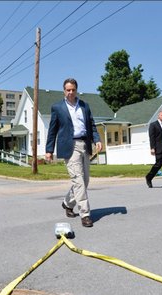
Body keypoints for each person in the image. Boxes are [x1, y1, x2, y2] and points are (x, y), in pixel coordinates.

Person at [45, 78, 102, 227]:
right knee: (78, 180)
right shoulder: (57, 107)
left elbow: (92, 125)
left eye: (73, 90)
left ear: (76, 90)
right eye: (68, 90)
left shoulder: (84, 106)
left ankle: (67, 203)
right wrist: (49, 150)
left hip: (85, 144)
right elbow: (52, 130)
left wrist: (97, 139)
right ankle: (85, 214)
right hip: (70, 146)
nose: (70, 92)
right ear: (64, 91)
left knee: (85, 181)